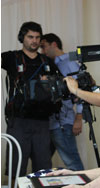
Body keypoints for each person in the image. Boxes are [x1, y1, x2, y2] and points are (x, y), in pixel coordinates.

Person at [1, 22, 59, 177]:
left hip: (42, 121)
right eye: (30, 37)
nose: (34, 40)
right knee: (16, 167)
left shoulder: (47, 62)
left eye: (37, 37)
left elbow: (60, 87)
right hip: (18, 120)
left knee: (43, 169)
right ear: (22, 38)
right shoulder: (11, 57)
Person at [40, 33, 84, 170]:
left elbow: (81, 90)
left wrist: (79, 117)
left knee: (72, 162)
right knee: (43, 160)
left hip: (63, 122)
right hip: (53, 122)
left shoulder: (69, 63)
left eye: (44, 47)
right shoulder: (50, 65)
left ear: (54, 44)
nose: (42, 51)